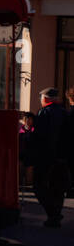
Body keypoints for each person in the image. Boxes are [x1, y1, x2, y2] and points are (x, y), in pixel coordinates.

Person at [30, 87, 69, 228]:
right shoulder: (65, 112)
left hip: (46, 158)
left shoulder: (44, 113)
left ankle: (53, 214)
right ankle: (55, 216)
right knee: (58, 188)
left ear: (45, 99)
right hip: (62, 158)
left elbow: (39, 137)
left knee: (39, 186)